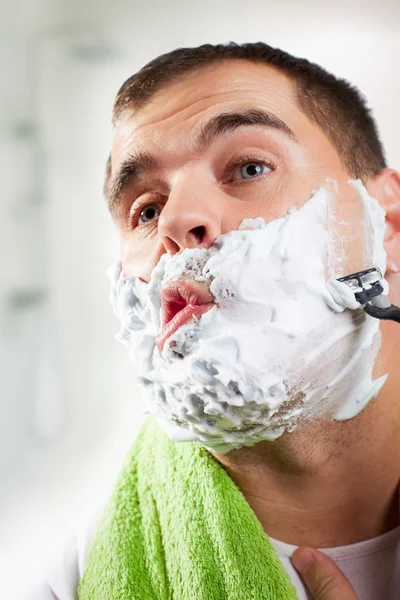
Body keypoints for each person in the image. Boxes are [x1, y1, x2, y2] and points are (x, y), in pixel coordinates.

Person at [30, 42, 400, 600]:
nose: (175, 222)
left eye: (249, 168)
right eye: (146, 210)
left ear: (387, 224)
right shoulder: (72, 583)